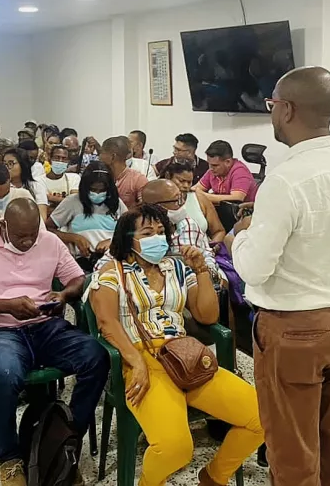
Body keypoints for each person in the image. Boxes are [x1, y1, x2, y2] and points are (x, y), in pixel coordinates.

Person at [228, 66, 330, 486]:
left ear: (287, 109)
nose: (271, 113)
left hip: (296, 331)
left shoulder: (286, 179)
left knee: (293, 454)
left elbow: (254, 268)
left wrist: (239, 237)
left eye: (271, 105)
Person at [89, 205, 263, 486]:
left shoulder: (177, 268)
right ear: (128, 239)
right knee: (175, 448)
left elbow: (207, 316)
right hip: (143, 360)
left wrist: (201, 270)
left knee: (261, 418)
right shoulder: (113, 272)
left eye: (161, 231)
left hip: (185, 358)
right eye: (147, 233)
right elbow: (106, 323)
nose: (157, 238)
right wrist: (136, 361)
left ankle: (214, 476)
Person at [0, 198, 109, 486]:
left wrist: (63, 295)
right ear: (4, 225)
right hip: (2, 331)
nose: (27, 242)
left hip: (46, 326)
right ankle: (9, 458)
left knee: (96, 356)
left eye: (32, 234)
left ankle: (64, 444)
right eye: (20, 235)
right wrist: (6, 305)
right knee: (5, 373)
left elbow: (77, 279)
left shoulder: (49, 241)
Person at [140, 179, 222, 280]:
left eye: (182, 197)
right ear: (156, 206)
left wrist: (207, 269)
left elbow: (206, 253)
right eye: (177, 200)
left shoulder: (189, 224)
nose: (182, 203)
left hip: (196, 281)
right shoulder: (142, 235)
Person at [47, 161, 127, 261]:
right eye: (93, 189)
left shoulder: (116, 203)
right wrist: (73, 238)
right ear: (85, 187)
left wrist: (112, 242)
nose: (97, 193)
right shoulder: (72, 202)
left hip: (112, 261)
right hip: (81, 260)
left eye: (102, 190)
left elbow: (130, 231)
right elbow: (48, 229)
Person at [163, 161, 226, 243]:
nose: (186, 186)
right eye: (181, 181)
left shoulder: (199, 198)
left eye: (189, 182)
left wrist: (213, 246)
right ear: (168, 176)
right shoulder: (156, 200)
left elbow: (218, 231)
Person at [99, 136, 148, 209]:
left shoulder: (138, 179)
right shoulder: (98, 177)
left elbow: (146, 208)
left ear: (113, 156)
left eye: (101, 153)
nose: (99, 157)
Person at [3, 148, 48, 221]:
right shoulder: (1, 187)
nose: (6, 168)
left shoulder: (36, 186)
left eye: (10, 164)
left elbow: (42, 217)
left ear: (23, 164)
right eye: (4, 164)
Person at [40, 144, 80, 217]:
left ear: (68, 161)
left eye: (64, 159)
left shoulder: (74, 178)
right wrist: (65, 201)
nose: (60, 161)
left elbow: (74, 201)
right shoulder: (40, 181)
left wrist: (50, 198)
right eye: (57, 158)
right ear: (50, 159)